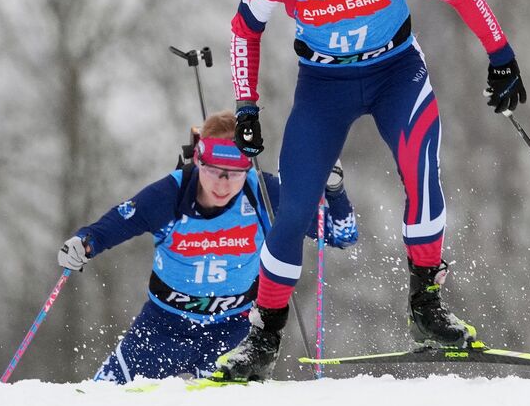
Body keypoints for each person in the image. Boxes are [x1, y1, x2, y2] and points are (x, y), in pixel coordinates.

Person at [213, 0, 524, 382]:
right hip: (323, 86)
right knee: (293, 210)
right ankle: (263, 338)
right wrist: (246, 107)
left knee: (422, 178)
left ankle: (426, 308)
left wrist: (502, 57)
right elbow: (244, 28)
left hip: (396, 74)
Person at [57, 111, 357, 383]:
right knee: (97, 403)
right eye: (215, 171)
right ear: (199, 161)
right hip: (163, 327)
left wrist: (335, 190)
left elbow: (341, 234)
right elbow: (119, 223)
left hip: (233, 331)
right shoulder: (172, 193)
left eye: (235, 174)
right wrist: (85, 242)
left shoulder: (263, 194)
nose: (224, 184)